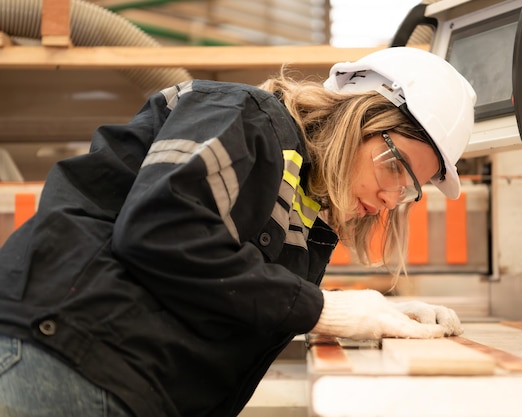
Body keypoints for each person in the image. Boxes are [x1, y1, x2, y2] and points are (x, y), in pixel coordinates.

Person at [0, 46, 476, 417]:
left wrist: (374, 312)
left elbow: (229, 280)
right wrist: (326, 309)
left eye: (412, 191)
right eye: (397, 169)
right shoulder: (245, 115)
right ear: (361, 117)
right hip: (62, 363)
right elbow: (160, 231)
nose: (393, 200)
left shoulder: (305, 215)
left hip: (118, 385)